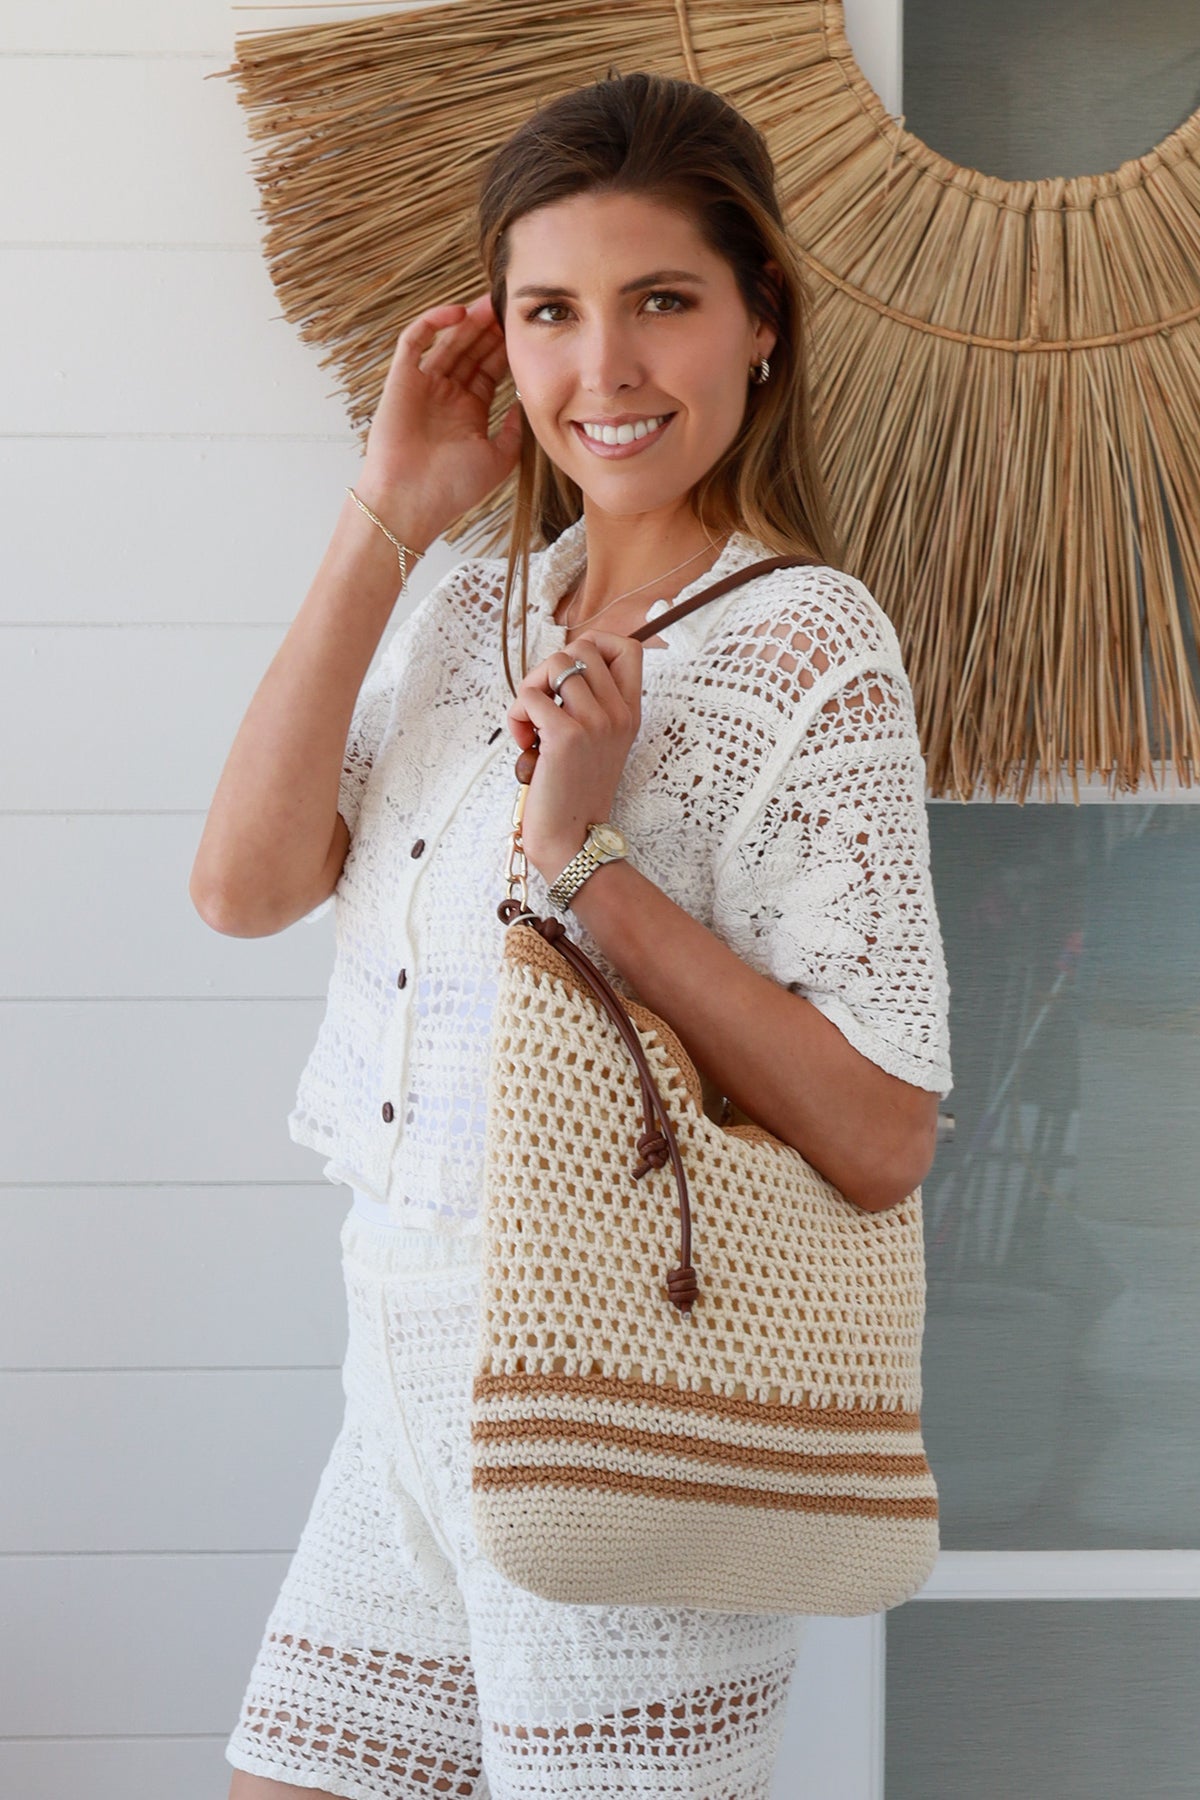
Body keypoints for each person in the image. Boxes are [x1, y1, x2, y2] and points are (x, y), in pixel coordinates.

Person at [193, 67, 952, 1800]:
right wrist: (388, 517)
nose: (603, 368)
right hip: (399, 1383)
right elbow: (242, 888)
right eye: (550, 311)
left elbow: (883, 1130)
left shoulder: (806, 648)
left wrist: (583, 854)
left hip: (622, 1392)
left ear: (762, 324)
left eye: (661, 301)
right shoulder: (473, 603)